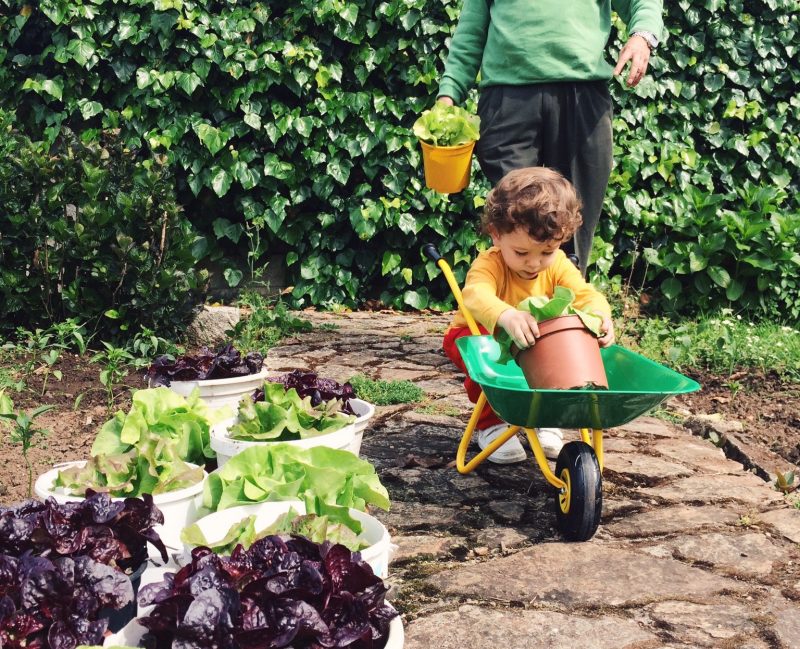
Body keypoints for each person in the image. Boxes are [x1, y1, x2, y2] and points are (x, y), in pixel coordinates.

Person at [437, 0, 663, 275]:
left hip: (582, 94)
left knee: (571, 223)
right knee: (516, 219)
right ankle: (513, 311)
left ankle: (565, 309)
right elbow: (470, 33)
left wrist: (643, 36)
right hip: (507, 99)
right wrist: (448, 96)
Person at [442, 167, 615, 462]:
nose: (534, 263)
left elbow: (586, 295)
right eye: (521, 253)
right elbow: (475, 295)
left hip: (534, 339)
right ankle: (491, 424)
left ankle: (546, 416)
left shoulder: (558, 264)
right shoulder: (491, 264)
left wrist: (599, 315)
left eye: (546, 252)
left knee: (564, 339)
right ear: (496, 235)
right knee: (486, 356)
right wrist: (504, 315)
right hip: (476, 337)